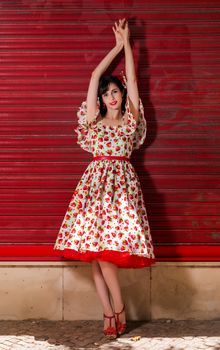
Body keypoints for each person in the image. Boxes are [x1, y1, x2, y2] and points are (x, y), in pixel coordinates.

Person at [54, 18, 155, 339]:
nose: (111, 97)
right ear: (99, 99)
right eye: (106, 94)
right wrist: (114, 45)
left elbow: (134, 80)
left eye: (116, 92)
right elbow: (95, 75)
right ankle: (109, 312)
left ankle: (118, 310)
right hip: (94, 186)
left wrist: (127, 44)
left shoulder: (130, 121)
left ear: (122, 95)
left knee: (106, 252)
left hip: (122, 187)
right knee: (96, 257)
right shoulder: (92, 121)